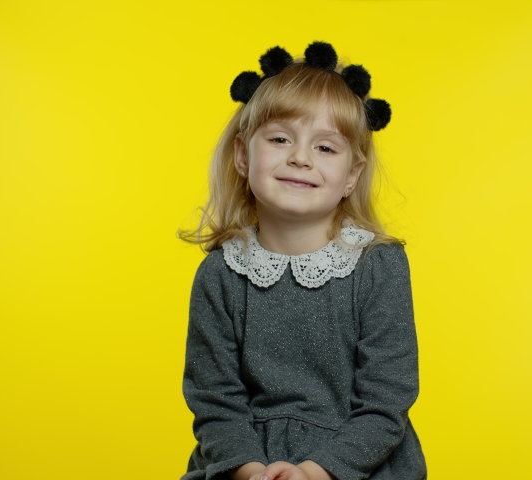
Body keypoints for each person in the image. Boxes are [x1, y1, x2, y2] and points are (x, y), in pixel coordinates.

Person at [178, 42, 426, 480]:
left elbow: (386, 401)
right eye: (280, 139)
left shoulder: (378, 266)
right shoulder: (220, 274)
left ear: (351, 176)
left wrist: (315, 472)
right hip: (247, 465)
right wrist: (251, 471)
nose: (300, 158)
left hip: (355, 466)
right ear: (242, 155)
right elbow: (216, 403)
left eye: (326, 148)